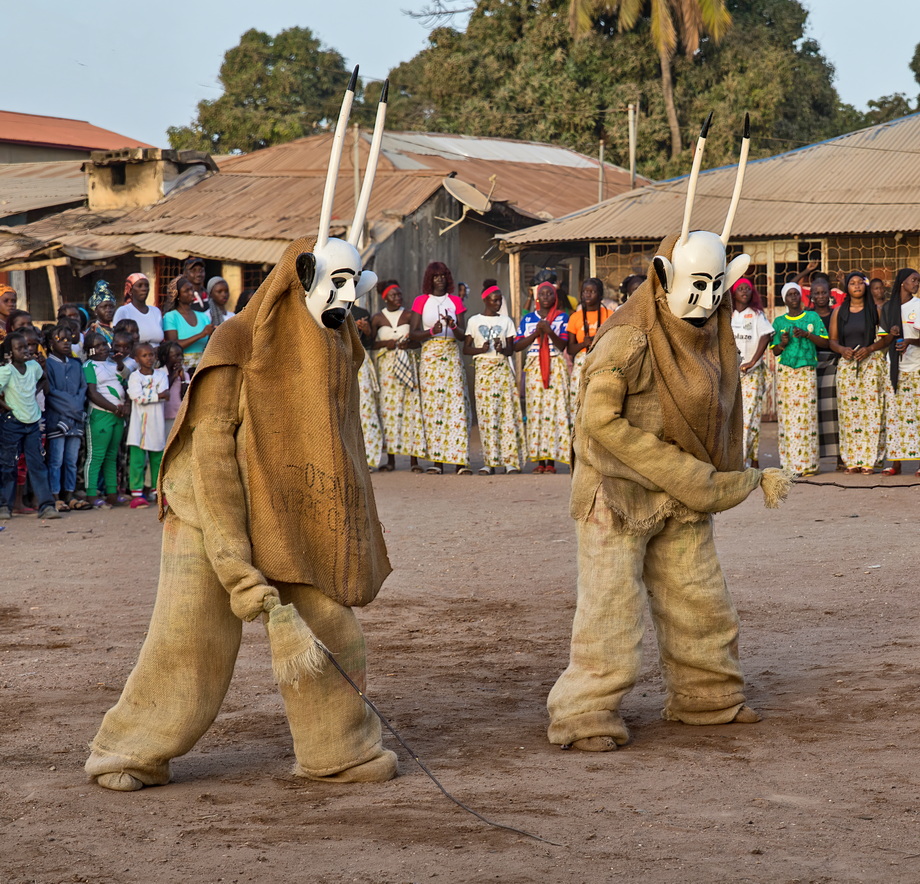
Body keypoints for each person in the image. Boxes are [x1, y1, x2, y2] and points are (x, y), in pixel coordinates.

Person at [408, 261, 471, 474]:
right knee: (433, 408)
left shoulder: (455, 301)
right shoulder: (421, 301)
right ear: (429, 279)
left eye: (443, 275)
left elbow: (463, 336)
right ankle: (438, 462)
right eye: (435, 276)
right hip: (430, 357)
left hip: (452, 355)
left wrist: (452, 325)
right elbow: (413, 333)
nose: (440, 279)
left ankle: (460, 461)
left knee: (457, 406)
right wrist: (430, 332)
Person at [828, 272, 889, 474]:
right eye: (852, 283)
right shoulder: (839, 312)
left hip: (870, 365)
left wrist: (870, 348)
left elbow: (886, 338)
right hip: (847, 365)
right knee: (849, 415)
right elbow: (833, 341)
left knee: (871, 414)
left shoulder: (876, 310)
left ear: (866, 287)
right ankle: (852, 461)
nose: (856, 286)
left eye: (860, 283)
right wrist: (842, 350)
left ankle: (870, 461)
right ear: (847, 287)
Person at [463, 284, 524, 474]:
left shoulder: (507, 321)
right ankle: (489, 462)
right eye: (494, 300)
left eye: (500, 300)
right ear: (485, 300)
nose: (497, 303)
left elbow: (511, 350)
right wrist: (480, 350)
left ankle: (510, 462)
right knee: (486, 416)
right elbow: (466, 348)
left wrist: (501, 348)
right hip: (483, 371)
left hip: (502, 369)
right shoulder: (474, 321)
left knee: (507, 415)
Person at [0, 331, 59, 520]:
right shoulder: (6, 371)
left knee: (37, 464)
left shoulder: (33, 366)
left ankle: (46, 506)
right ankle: (4, 506)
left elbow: (43, 380)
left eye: (26, 346)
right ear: (10, 353)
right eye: (20, 348)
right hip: (12, 423)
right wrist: (5, 407)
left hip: (33, 422)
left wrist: (34, 392)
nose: (26, 350)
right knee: (8, 465)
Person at [770, 282, 828, 477]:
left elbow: (825, 341)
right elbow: (775, 351)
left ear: (801, 297)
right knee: (788, 419)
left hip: (806, 371)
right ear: (784, 299)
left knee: (807, 418)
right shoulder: (778, 322)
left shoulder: (812, 317)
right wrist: (783, 343)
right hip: (787, 372)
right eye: (789, 295)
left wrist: (807, 334)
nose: (793, 297)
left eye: (796, 294)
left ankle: (808, 465)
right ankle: (790, 465)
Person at [515, 282, 570, 473]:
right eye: (542, 294)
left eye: (549, 294)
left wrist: (549, 331)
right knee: (535, 411)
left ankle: (552, 462)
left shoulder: (562, 317)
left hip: (555, 366)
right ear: (537, 298)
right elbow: (517, 345)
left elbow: (563, 345)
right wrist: (536, 334)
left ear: (555, 297)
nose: (546, 297)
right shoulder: (529, 318)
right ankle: (539, 460)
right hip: (534, 368)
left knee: (553, 412)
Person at [370, 280, 425, 472]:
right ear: (385, 298)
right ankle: (391, 459)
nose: (398, 298)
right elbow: (370, 344)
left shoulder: (409, 315)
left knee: (411, 411)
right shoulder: (378, 318)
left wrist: (407, 345)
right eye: (394, 295)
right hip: (387, 370)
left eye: (400, 295)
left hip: (407, 365)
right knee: (389, 412)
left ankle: (414, 460)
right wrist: (386, 344)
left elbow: (418, 341)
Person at [44, 324, 89, 512]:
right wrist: (73, 409)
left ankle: (69, 494)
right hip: (58, 420)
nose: (65, 343)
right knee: (56, 460)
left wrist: (75, 408)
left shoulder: (76, 364)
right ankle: (55, 495)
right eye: (59, 339)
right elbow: (51, 393)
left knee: (71, 460)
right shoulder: (48, 364)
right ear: (50, 342)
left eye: (68, 339)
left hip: (75, 421)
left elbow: (83, 389)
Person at [730, 278, 773, 468]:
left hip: (751, 373)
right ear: (733, 293)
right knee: (740, 417)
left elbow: (766, 335)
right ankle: (753, 458)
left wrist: (753, 361)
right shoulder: (727, 314)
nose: (745, 291)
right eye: (740, 288)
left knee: (747, 417)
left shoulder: (756, 314)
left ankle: (740, 461)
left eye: (748, 288)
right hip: (730, 373)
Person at [880, 268, 920, 475]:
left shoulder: (918, 306)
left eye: (918, 281)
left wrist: (910, 341)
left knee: (918, 415)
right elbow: (883, 340)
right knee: (895, 416)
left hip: (916, 367)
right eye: (913, 280)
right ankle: (896, 463)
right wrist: (892, 335)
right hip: (895, 368)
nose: (916, 284)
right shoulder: (888, 308)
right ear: (902, 283)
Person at [83, 332, 129, 508]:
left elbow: (125, 381)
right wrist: (114, 408)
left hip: (117, 416)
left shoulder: (111, 364)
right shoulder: (89, 366)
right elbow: (92, 393)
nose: (104, 347)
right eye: (99, 345)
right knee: (96, 455)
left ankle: (112, 493)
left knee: (111, 456)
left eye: (105, 344)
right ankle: (91, 494)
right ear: (89, 349)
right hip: (101, 415)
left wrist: (123, 407)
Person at [126, 343, 169, 508]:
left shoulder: (161, 375)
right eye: (144, 355)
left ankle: (157, 491)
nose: (149, 358)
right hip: (139, 424)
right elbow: (137, 397)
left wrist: (151, 395)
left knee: (157, 459)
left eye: (151, 354)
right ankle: (136, 493)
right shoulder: (134, 377)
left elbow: (166, 394)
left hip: (156, 423)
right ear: (137, 359)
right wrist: (158, 395)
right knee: (137, 460)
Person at [567, 278, 613, 416]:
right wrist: (583, 343)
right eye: (585, 292)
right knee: (579, 401)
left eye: (592, 291)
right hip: (581, 362)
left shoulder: (610, 315)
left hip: (603, 361)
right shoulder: (575, 317)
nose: (587, 295)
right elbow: (570, 349)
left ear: (600, 295)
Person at [809, 277, 841, 466]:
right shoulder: (807, 316)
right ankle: (814, 458)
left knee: (835, 412)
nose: (821, 296)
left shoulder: (838, 313)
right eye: (817, 293)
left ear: (830, 294)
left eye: (824, 292)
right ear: (811, 295)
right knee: (814, 412)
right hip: (812, 365)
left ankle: (840, 457)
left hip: (832, 365)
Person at [352, 303, 384, 470]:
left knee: (366, 408)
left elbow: (370, 342)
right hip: (336, 360)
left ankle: (369, 458)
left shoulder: (361, 313)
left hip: (359, 361)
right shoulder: (329, 307)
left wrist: (366, 331)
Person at [162, 276, 214, 371]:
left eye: (192, 289)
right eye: (186, 290)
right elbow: (173, 345)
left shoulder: (203, 317)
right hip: (180, 368)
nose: (191, 293)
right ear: (177, 295)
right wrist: (201, 334)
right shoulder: (170, 317)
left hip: (202, 367)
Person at [114, 273, 164, 345]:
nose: (144, 289)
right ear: (130, 290)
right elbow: (118, 338)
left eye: (146, 286)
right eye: (139, 286)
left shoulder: (156, 311)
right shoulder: (123, 311)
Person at [157, 340, 190, 442]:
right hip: (164, 416)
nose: (179, 359)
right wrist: (173, 376)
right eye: (175, 356)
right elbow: (164, 391)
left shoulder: (184, 374)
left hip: (178, 415)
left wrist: (183, 378)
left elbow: (184, 395)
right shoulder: (159, 373)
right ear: (164, 358)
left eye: (181, 355)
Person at [87, 281, 117, 346]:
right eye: (104, 307)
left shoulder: (117, 329)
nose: (108, 310)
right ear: (95, 311)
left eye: (111, 306)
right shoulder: (93, 331)